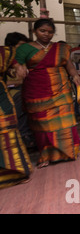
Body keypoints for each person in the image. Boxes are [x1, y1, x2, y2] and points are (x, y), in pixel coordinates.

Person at [15, 19, 80, 169]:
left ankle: (68, 152)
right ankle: (46, 155)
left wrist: (74, 75)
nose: (46, 34)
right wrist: (20, 69)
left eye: (50, 32)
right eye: (42, 31)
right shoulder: (24, 48)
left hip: (61, 89)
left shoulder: (60, 48)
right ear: (34, 32)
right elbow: (17, 65)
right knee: (42, 126)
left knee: (64, 123)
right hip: (37, 91)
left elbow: (68, 64)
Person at [0, 44, 33, 188]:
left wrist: (17, 69)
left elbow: (17, 71)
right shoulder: (4, 53)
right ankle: (12, 173)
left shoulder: (4, 54)